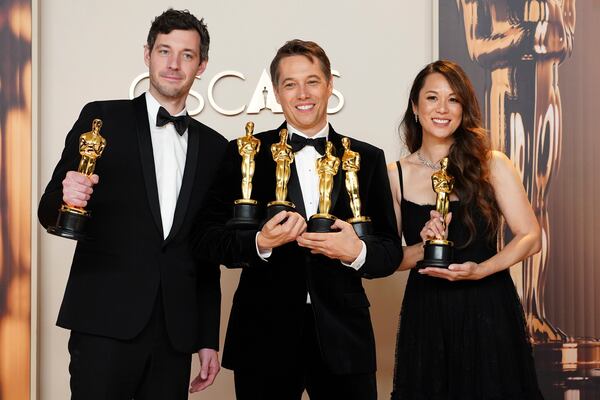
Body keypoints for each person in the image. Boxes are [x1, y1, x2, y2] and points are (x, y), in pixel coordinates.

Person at [195, 39, 402, 400]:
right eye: (290, 84)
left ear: (329, 85)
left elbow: (389, 252)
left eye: (312, 81)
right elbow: (206, 239)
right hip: (262, 335)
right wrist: (259, 243)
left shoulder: (367, 158)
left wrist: (356, 251)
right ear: (276, 92)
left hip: (344, 339)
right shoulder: (245, 153)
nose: (302, 93)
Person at [37, 9, 226, 399]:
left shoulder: (215, 148)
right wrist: (65, 197)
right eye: (164, 51)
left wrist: (207, 336)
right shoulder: (101, 119)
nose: (173, 64)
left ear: (202, 64)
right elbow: (49, 207)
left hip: (173, 335)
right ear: (147, 55)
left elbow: (204, 254)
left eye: (187, 55)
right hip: (103, 323)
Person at [388, 60, 544, 399]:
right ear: (415, 107)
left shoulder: (493, 163)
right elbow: (391, 259)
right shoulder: (394, 175)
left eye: (454, 99)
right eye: (432, 98)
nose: (442, 109)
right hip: (427, 313)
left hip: (488, 306)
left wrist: (481, 270)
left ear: (464, 109)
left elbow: (531, 237)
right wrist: (422, 245)